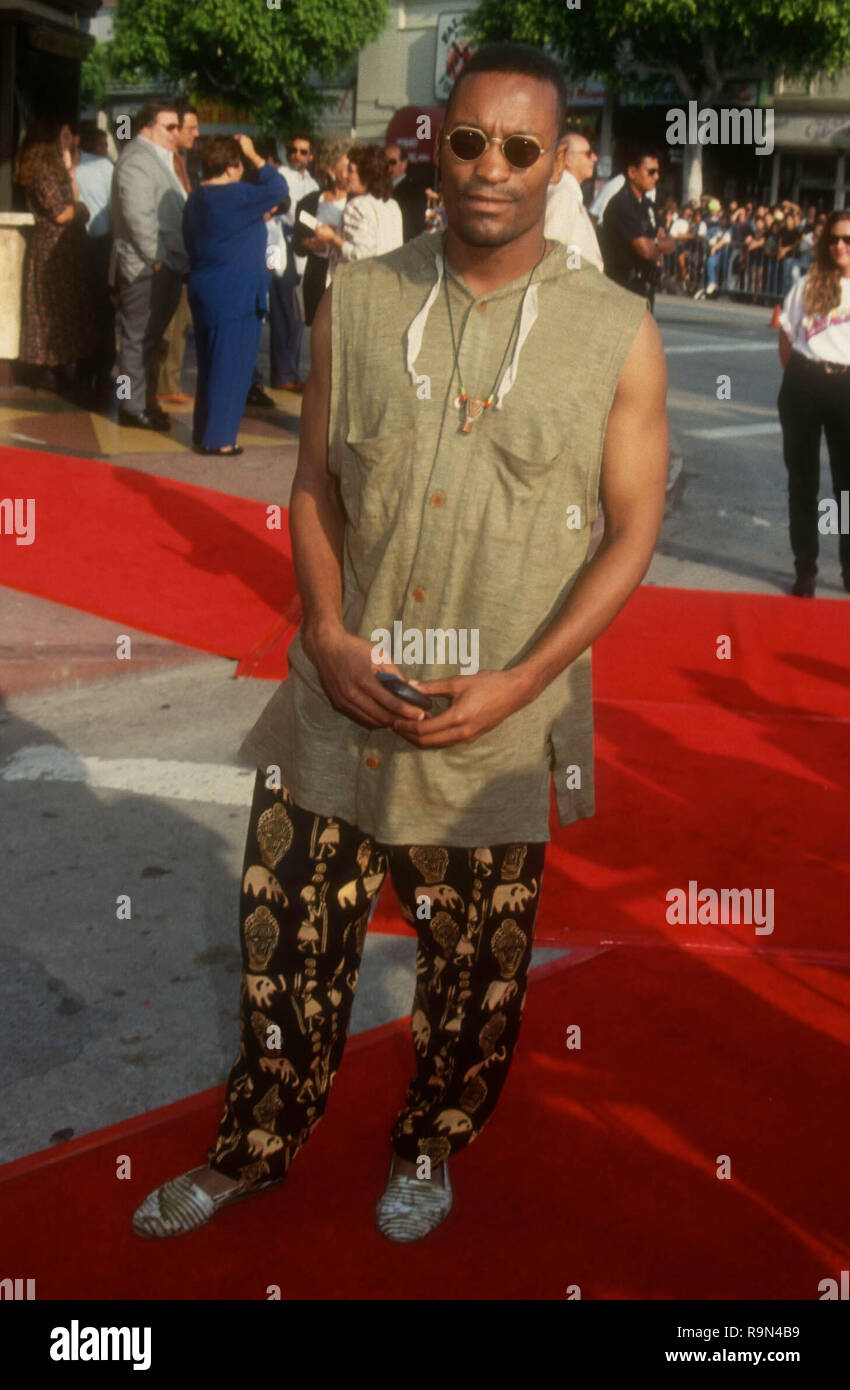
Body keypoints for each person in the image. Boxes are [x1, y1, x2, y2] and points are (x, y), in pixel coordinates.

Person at [131, 40, 668, 1246]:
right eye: (466, 140)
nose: (487, 167)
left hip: (491, 732)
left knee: (472, 979)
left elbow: (633, 532)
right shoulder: (360, 299)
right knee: (280, 953)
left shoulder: (616, 333)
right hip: (334, 706)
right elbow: (314, 482)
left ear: (553, 166)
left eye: (519, 149)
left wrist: (525, 684)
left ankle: (428, 1143)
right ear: (437, 145)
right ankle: (251, 1147)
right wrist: (322, 628)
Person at [182, 134, 289, 455]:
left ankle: (204, 432)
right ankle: (220, 439)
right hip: (237, 293)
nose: (243, 170)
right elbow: (279, 188)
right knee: (232, 369)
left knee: (210, 367)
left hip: (206, 286)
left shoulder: (197, 198)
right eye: (240, 164)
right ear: (230, 166)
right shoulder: (239, 194)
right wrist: (255, 155)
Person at [777, 208, 850, 597]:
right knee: (802, 482)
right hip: (806, 381)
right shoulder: (809, 284)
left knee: (848, 488)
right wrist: (800, 376)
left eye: (848, 240)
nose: (840, 245)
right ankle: (805, 568)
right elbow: (786, 335)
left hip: (847, 386)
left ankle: (849, 568)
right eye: (834, 238)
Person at [111, 101, 188, 430]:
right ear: (147, 127)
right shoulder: (137, 161)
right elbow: (138, 216)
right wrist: (156, 260)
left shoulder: (156, 159)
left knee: (145, 341)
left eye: (177, 127)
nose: (176, 133)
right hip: (145, 268)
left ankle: (139, 402)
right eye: (169, 127)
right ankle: (128, 405)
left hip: (161, 265)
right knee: (134, 341)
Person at [13, 119, 94, 392]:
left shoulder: (55, 170)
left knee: (65, 309)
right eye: (64, 135)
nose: (69, 139)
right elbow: (63, 212)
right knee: (50, 309)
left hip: (66, 250)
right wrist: (81, 210)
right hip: (52, 251)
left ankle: (59, 364)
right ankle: (46, 368)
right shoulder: (43, 173)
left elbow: (73, 197)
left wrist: (70, 170)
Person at [148, 102, 201, 408]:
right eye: (189, 127)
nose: (195, 133)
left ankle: (167, 383)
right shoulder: (155, 161)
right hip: (161, 256)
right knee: (159, 329)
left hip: (180, 254)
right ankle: (137, 395)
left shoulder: (178, 160)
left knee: (179, 322)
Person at [597, 143, 674, 310]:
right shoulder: (622, 203)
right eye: (651, 172)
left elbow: (670, 243)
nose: (656, 177)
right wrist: (656, 242)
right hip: (623, 288)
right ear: (632, 172)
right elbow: (644, 250)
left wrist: (654, 243)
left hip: (644, 288)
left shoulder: (647, 205)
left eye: (658, 172)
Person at [268, 132, 317, 391]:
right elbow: (289, 212)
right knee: (282, 311)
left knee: (297, 313)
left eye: (303, 151)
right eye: (293, 150)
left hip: (303, 250)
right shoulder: (280, 177)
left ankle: (291, 371)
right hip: (282, 245)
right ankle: (282, 374)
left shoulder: (312, 184)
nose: (297, 155)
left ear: (311, 156)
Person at [73, 124, 116, 401]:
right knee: (104, 312)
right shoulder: (105, 167)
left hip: (79, 245)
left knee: (83, 311)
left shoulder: (74, 168)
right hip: (102, 245)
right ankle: (102, 372)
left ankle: (84, 371)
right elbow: (117, 206)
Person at [315, 145, 402, 280]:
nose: (345, 176)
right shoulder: (392, 205)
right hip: (387, 285)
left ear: (366, 175)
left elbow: (360, 256)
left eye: (351, 171)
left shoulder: (357, 206)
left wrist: (332, 238)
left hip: (360, 289)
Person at [293, 140, 349, 328]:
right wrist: (308, 243)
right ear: (331, 171)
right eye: (346, 168)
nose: (351, 173)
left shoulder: (357, 202)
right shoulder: (310, 202)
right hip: (316, 277)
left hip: (343, 278)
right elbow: (296, 243)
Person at [544, 130, 603, 271]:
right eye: (588, 154)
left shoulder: (570, 193)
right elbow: (550, 253)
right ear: (567, 159)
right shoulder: (563, 194)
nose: (594, 158)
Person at [386, 143, 428, 241]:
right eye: (384, 163)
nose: (388, 167)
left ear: (404, 164)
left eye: (392, 162)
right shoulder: (381, 189)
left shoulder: (413, 191)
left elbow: (414, 228)